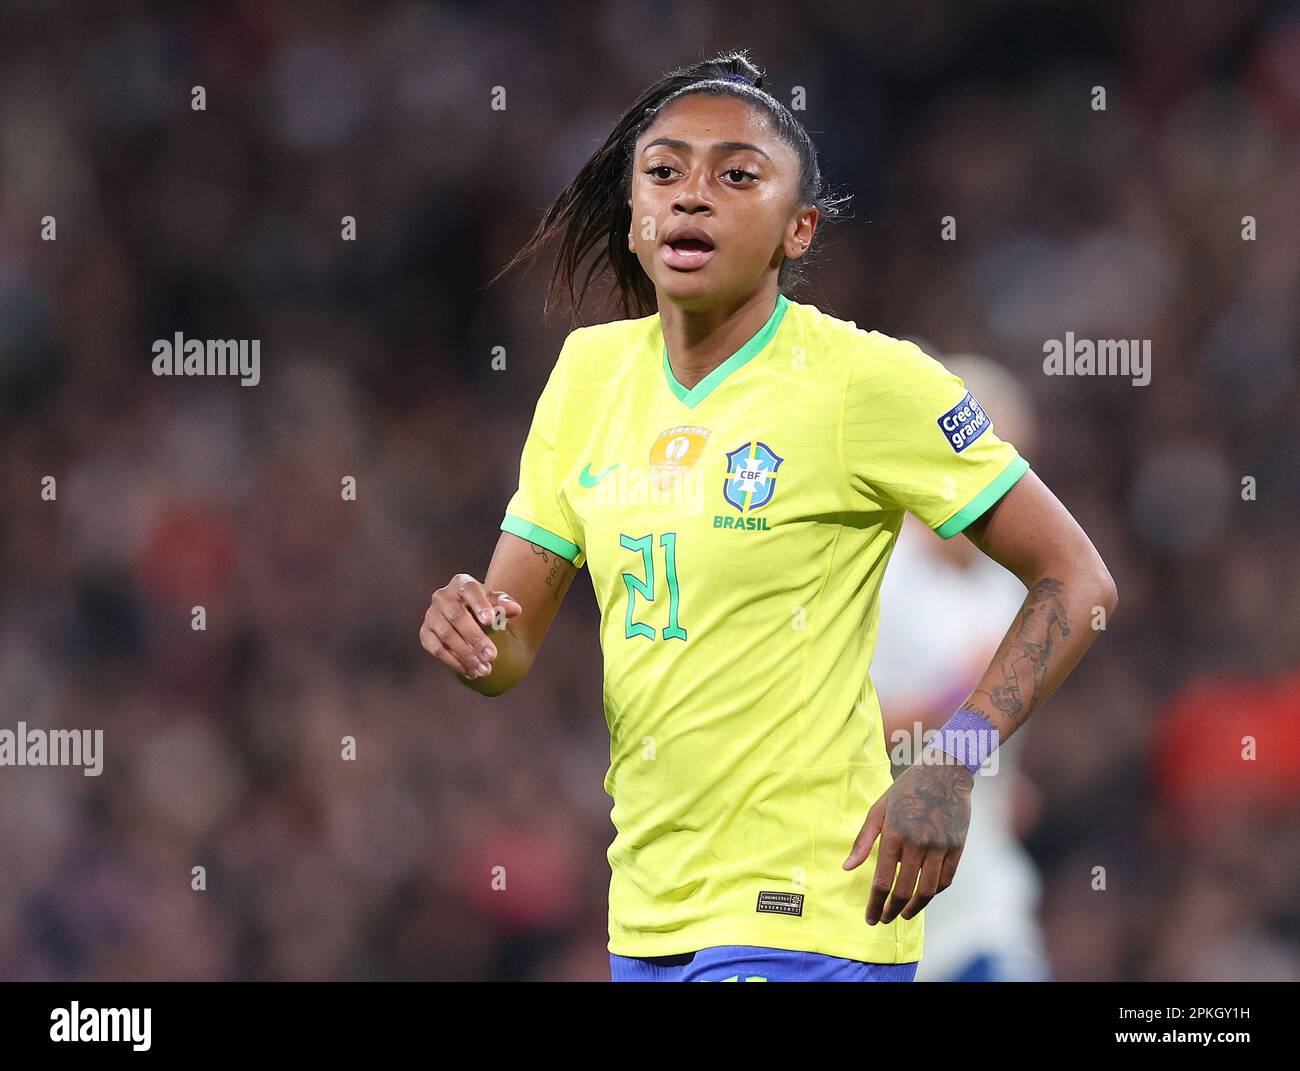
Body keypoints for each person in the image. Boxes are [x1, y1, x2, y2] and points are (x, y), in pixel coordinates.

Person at [419, 51, 1118, 982]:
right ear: (635, 218)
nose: (692, 196)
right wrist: (470, 629)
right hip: (651, 909)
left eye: (736, 176)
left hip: (810, 908)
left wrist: (953, 761)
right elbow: (509, 648)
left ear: (798, 231)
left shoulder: (866, 382)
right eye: (664, 172)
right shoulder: (587, 379)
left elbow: (1078, 578)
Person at [871, 354, 1052, 982]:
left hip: (984, 907)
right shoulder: (878, 577)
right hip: (882, 907)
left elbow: (980, 738)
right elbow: (845, 733)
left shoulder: (1010, 588)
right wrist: (963, 700)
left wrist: (993, 764)